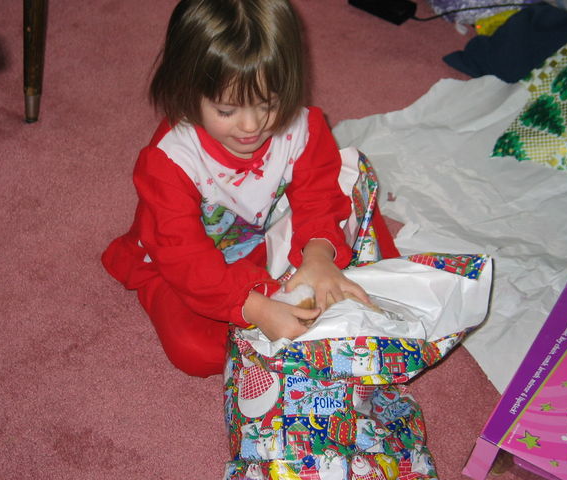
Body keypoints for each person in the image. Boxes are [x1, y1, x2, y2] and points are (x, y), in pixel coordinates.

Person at [102, 0, 398, 377]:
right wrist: (257, 308)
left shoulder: (302, 128)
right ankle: (190, 296)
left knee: (355, 238)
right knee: (197, 351)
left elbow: (319, 195)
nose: (251, 126)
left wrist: (319, 254)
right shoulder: (170, 161)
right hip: (181, 264)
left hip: (260, 245)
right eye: (227, 110)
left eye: (268, 104)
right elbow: (185, 259)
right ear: (185, 91)